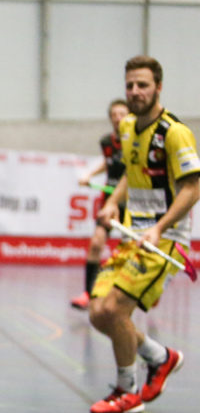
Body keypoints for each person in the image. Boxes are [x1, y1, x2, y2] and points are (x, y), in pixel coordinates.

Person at [88, 55, 198, 413]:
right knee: (98, 313)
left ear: (158, 88)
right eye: (130, 85)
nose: (135, 91)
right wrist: (112, 203)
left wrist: (159, 227)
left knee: (115, 309)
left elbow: (193, 188)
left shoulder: (174, 132)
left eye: (143, 85)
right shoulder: (127, 127)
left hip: (165, 239)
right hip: (132, 235)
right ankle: (160, 357)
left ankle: (127, 391)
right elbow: (129, 173)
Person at [72, 98, 131, 310]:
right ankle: (88, 293)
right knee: (97, 242)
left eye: (122, 114)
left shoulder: (136, 141)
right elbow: (108, 163)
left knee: (132, 250)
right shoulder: (107, 142)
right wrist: (89, 174)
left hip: (131, 202)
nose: (117, 118)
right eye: (114, 115)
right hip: (109, 201)